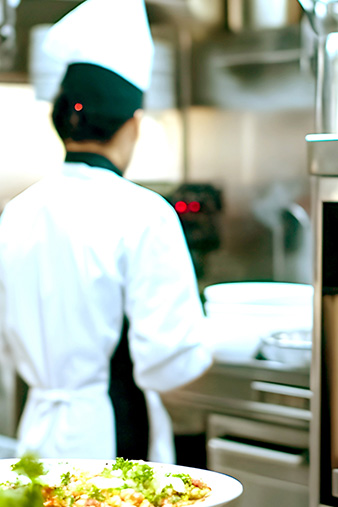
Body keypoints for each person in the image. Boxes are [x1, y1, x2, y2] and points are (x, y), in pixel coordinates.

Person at [0, 0, 211, 463]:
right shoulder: (143, 213)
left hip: (36, 438)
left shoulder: (16, 213)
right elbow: (168, 361)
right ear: (132, 125)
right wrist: (214, 332)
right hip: (115, 443)